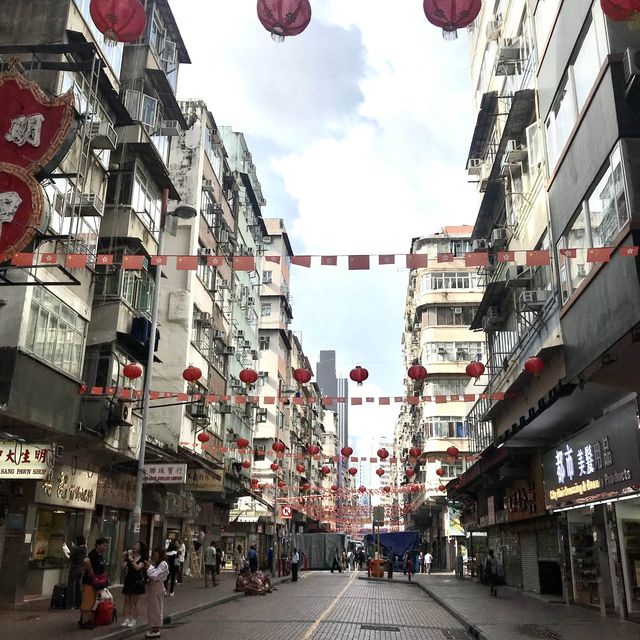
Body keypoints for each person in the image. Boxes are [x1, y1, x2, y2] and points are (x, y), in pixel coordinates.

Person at [79, 537, 108, 629]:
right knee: (87, 601)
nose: (105, 548)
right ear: (98, 545)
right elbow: (85, 561)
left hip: (97, 582)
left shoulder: (100, 555)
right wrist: (91, 571)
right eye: (103, 545)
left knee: (92, 601)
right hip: (90, 581)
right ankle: (84, 621)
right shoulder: (93, 554)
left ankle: (87, 619)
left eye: (106, 546)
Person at [121, 541, 147, 629]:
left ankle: (133, 619)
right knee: (126, 600)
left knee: (136, 602)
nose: (135, 546)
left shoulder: (143, 558)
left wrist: (131, 560)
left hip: (137, 581)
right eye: (135, 544)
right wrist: (124, 558)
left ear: (140, 548)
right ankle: (125, 619)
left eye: (137, 545)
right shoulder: (129, 556)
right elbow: (122, 566)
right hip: (129, 579)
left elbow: (138, 568)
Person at [145, 548, 168, 638]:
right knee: (153, 607)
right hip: (155, 586)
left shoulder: (162, 564)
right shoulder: (159, 564)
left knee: (156, 607)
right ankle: (154, 627)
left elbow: (154, 575)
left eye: (156, 554)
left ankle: (156, 628)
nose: (154, 556)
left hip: (157, 587)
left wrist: (150, 566)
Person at [66, 535, 87, 610]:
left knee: (72, 586)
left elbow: (71, 557)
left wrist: (72, 549)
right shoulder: (84, 549)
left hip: (74, 568)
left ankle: (71, 604)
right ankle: (78, 603)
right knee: (78, 586)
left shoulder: (77, 549)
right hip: (81, 568)